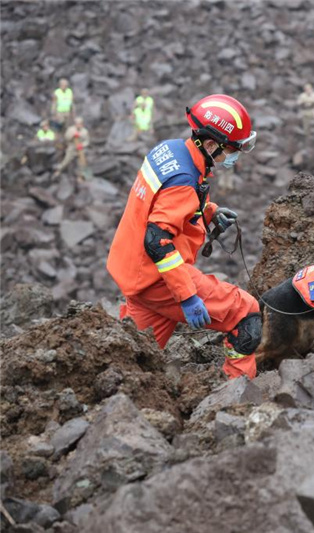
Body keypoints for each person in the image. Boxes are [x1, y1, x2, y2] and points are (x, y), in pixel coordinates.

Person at [106, 94, 262, 380]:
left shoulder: (171, 150)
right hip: (157, 279)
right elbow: (157, 241)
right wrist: (187, 297)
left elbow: (162, 202)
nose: (233, 157)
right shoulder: (184, 182)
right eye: (231, 150)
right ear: (212, 145)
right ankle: (239, 397)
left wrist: (208, 211)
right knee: (245, 312)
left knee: (132, 361)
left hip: (135, 276)